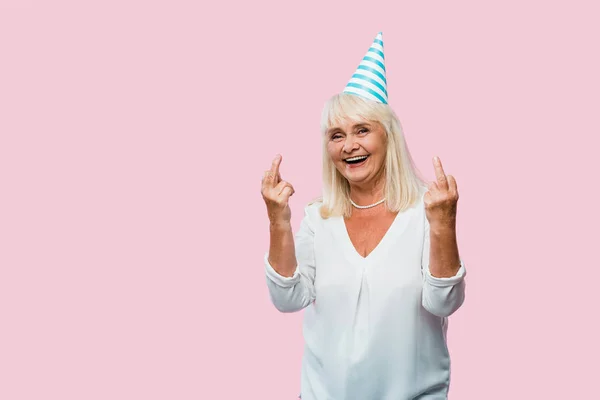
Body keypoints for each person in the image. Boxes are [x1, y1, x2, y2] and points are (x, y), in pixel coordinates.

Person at [260, 32, 466, 400]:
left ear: (388, 137)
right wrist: (278, 219)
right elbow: (287, 300)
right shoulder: (318, 218)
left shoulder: (426, 210)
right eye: (336, 135)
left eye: (362, 130)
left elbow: (444, 303)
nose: (348, 145)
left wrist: (444, 225)